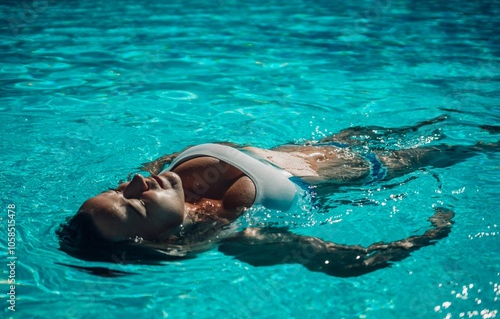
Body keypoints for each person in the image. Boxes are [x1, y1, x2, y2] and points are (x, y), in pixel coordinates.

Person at [57, 116, 498, 277]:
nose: (134, 183)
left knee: (443, 118)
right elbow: (345, 262)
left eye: (116, 189)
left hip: (335, 137)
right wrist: (428, 235)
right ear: (156, 240)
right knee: (468, 146)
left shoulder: (159, 175)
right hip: (376, 168)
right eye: (133, 204)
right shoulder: (240, 235)